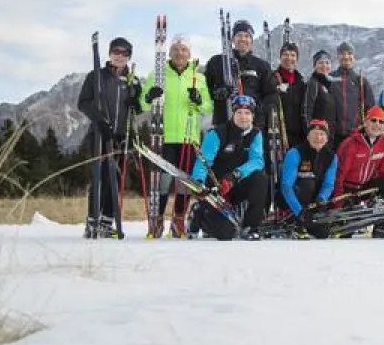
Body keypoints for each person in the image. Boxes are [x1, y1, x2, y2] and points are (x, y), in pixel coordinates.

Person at [139, 34, 211, 238]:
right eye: (176, 49)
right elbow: (143, 104)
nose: (180, 53)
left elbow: (208, 106)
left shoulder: (199, 77)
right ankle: (157, 220)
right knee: (162, 180)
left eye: (184, 50)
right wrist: (148, 96)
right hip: (164, 136)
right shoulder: (157, 75)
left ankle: (178, 220)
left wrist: (198, 101)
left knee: (185, 182)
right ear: (169, 53)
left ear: (189, 54)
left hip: (189, 137)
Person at [77, 36, 142, 238]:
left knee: (115, 178)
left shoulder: (133, 80)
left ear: (129, 56)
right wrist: (99, 121)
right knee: (100, 177)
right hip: (99, 135)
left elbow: (135, 109)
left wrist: (135, 103)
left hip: (121, 138)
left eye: (124, 53)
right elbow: (83, 103)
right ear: (110, 53)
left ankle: (107, 221)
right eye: (116, 52)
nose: (119, 56)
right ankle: (92, 222)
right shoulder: (96, 76)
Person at [189, 94, 270, 241]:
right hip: (216, 188)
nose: (243, 117)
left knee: (261, 178)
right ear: (233, 113)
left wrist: (235, 175)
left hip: (236, 184)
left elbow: (257, 161)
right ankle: (199, 214)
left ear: (252, 115)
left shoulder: (255, 134)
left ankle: (251, 226)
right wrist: (199, 181)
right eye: (239, 112)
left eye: (247, 113)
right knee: (225, 234)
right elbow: (203, 162)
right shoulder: (217, 133)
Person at [333, 105, 384, 238]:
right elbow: (338, 176)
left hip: (366, 188)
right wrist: (338, 202)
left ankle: (380, 225)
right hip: (347, 188)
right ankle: (344, 217)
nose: (377, 125)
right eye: (373, 120)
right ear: (365, 122)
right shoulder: (350, 144)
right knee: (346, 232)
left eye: (381, 122)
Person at [204, 19, 274, 127]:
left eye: (247, 36)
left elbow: (270, 95)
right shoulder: (217, 62)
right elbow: (205, 89)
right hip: (224, 122)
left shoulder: (261, 65)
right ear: (232, 39)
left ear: (251, 40)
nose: (243, 39)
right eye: (239, 35)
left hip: (252, 124)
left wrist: (258, 111)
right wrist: (217, 93)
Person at [280, 120, 339, 239]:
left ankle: (309, 222)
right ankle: (295, 220)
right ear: (308, 136)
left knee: (323, 233)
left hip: (313, 203)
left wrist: (321, 199)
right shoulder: (295, 153)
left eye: (322, 134)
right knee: (308, 182)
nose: (318, 137)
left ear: (327, 138)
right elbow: (286, 186)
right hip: (293, 202)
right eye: (314, 133)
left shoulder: (331, 157)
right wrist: (299, 211)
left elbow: (328, 184)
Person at [329, 42, 375, 146]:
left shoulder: (361, 81)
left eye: (349, 53)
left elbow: (370, 107)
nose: (346, 56)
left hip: (355, 134)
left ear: (353, 57)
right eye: (342, 53)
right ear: (338, 56)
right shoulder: (330, 78)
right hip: (333, 135)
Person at [272, 41, 307, 159]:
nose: (289, 58)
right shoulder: (272, 78)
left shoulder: (301, 82)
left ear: (297, 59)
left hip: (298, 135)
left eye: (293, 55)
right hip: (277, 134)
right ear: (280, 57)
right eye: (285, 54)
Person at [304, 50, 336, 128]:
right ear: (315, 66)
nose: (324, 65)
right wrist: (309, 130)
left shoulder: (329, 84)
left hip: (328, 132)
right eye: (320, 63)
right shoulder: (313, 83)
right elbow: (307, 109)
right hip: (317, 133)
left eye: (327, 63)